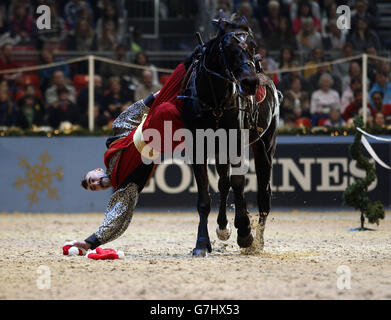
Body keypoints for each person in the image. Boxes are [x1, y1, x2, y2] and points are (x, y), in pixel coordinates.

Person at [70, 62, 188, 252]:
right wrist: (91, 242)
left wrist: (156, 96)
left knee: (185, 67)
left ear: (98, 170)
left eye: (93, 180)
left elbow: (132, 113)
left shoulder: (113, 142)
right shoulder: (124, 189)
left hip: (159, 116)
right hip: (167, 133)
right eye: (94, 188)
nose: (97, 183)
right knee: (167, 111)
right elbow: (116, 220)